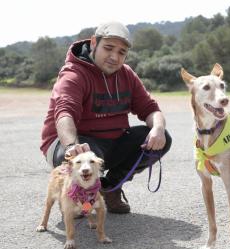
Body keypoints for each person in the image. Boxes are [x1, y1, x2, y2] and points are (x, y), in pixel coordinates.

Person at [40, 21, 172, 214]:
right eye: (108, 48)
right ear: (94, 43)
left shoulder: (127, 75)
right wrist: (71, 146)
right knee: (88, 156)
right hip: (70, 144)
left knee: (162, 138)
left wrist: (158, 129)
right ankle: (73, 198)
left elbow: (151, 109)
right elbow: (64, 113)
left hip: (111, 143)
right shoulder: (73, 74)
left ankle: (110, 187)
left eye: (121, 52)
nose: (114, 57)